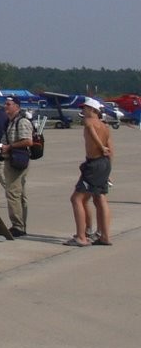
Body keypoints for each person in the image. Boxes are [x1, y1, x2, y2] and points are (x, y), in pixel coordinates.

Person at [67, 97, 114, 246]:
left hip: (94, 163)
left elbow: (91, 130)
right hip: (104, 164)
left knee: (76, 199)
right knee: (100, 198)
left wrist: (100, 147)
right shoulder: (105, 126)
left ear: (93, 110)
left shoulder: (89, 121)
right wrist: (108, 171)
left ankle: (81, 237)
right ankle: (104, 236)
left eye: (85, 108)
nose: (83, 110)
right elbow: (111, 150)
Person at [0, 97, 35, 238]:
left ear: (17, 106)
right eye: (5, 104)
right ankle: (20, 224)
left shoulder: (22, 122)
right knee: (18, 193)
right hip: (11, 159)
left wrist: (10, 147)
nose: (5, 107)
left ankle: (18, 226)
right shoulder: (10, 122)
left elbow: (28, 141)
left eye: (8, 104)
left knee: (13, 193)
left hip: (18, 161)